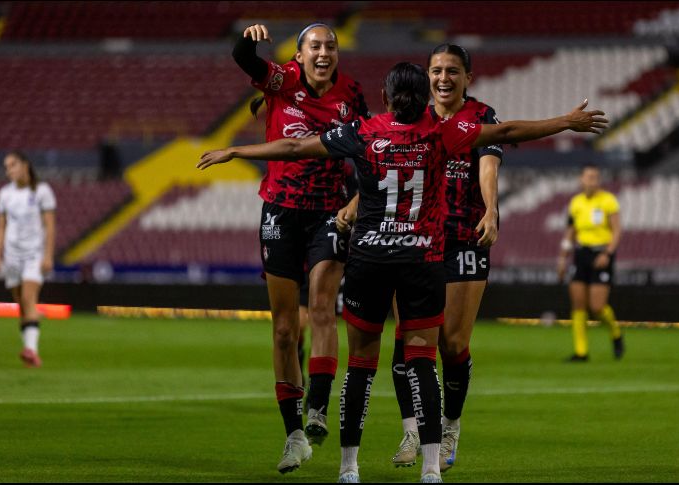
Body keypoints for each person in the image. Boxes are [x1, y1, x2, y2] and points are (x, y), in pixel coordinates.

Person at [199, 61, 607, 483]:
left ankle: (348, 469)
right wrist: (566, 122)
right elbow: (505, 133)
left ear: (385, 97)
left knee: (360, 364)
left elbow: (294, 148)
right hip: (420, 261)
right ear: (425, 96)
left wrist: (237, 151)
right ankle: (431, 470)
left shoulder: (365, 131)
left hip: (370, 261)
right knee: (423, 363)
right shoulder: (441, 132)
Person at [374, 44, 607, 472]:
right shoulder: (413, 117)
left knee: (453, 343)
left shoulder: (481, 116)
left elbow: (488, 166)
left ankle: (449, 428)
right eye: (436, 70)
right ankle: (411, 430)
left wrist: (492, 210)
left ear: (468, 78)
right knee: (408, 338)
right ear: (426, 76)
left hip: (464, 236)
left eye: (453, 71)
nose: (443, 78)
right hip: (413, 238)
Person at [230, 22, 369, 473]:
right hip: (280, 211)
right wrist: (247, 43)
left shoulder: (352, 95)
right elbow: (245, 61)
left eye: (330, 45)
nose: (323, 51)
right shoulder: (282, 81)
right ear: (300, 53)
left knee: (324, 309)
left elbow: (370, 151)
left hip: (329, 211)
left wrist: (355, 201)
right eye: (315, 45)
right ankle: (293, 436)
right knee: (285, 329)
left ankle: (318, 410)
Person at [557, 164, 623, 362]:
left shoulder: (608, 201)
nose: (592, 180)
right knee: (578, 304)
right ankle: (581, 352)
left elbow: (617, 230)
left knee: (597, 306)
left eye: (595, 176)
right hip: (581, 253)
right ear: (581, 179)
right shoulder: (575, 202)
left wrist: (608, 253)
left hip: (601, 252)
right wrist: (562, 257)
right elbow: (570, 232)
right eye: (588, 176)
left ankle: (616, 333)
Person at [0, 152, 56, 368]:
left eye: (12, 165)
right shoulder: (5, 194)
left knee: (29, 298)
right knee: (21, 303)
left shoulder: (42, 191)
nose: (9, 170)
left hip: (34, 254)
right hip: (12, 255)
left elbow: (50, 225)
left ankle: (31, 350)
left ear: (25, 165)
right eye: (6, 166)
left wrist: (48, 255)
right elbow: (1, 225)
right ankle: (30, 352)